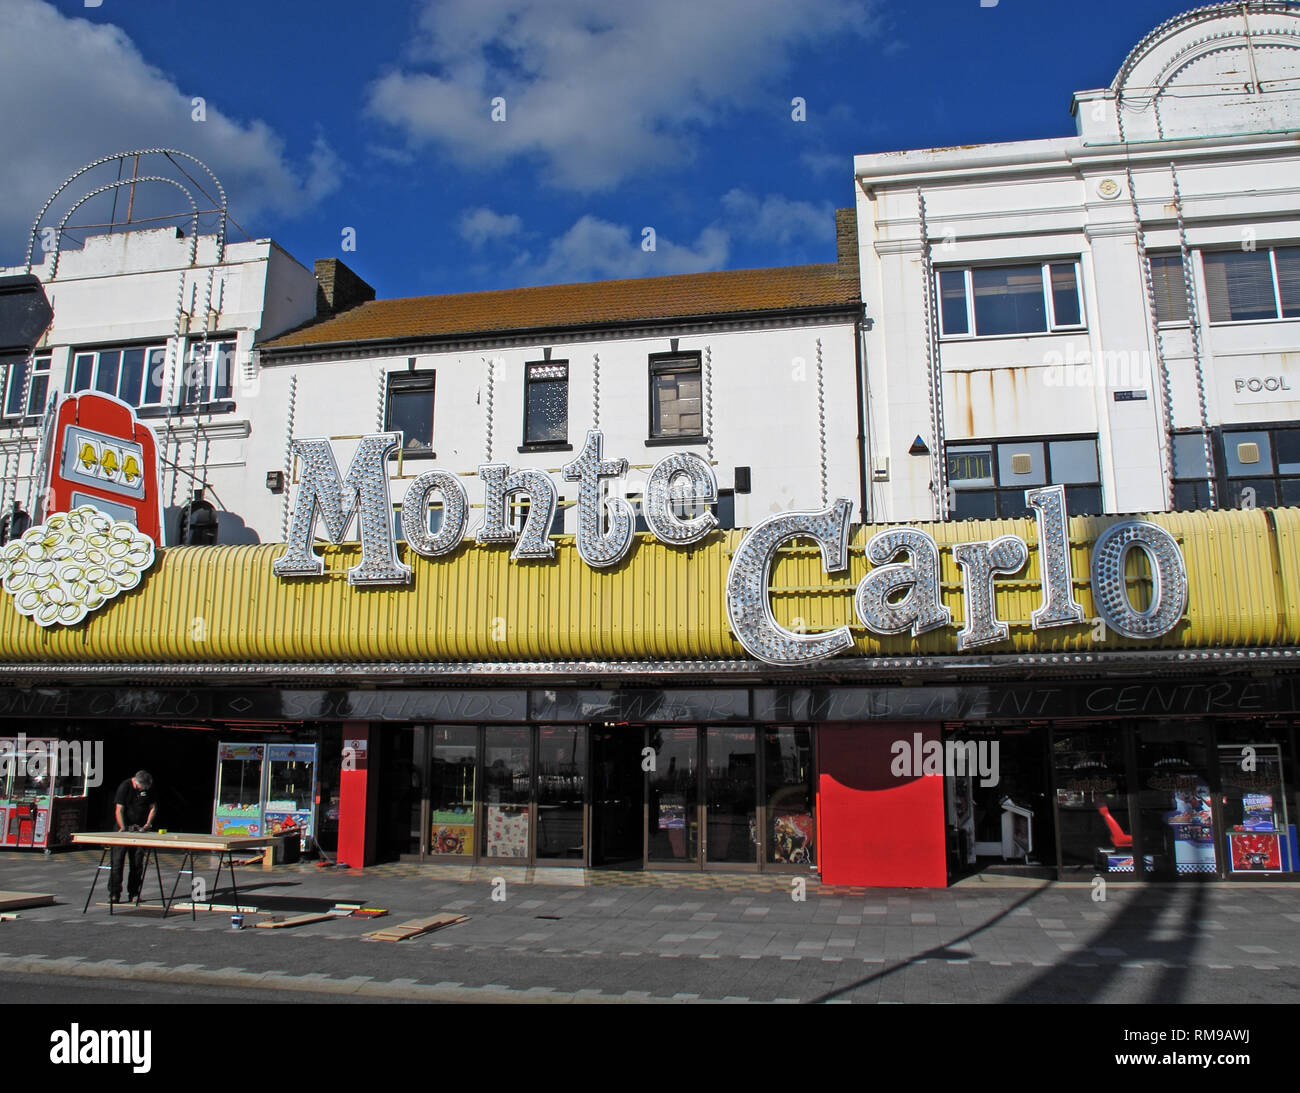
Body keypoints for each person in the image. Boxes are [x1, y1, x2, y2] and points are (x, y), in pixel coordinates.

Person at [109, 770, 158, 904]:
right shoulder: (125, 787)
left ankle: (134, 893)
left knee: (137, 863)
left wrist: (148, 823)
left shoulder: (148, 789)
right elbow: (119, 809)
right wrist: (123, 827)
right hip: (123, 828)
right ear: (137, 783)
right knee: (117, 862)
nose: (146, 789)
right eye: (144, 787)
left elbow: (153, 807)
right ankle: (114, 894)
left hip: (139, 829)